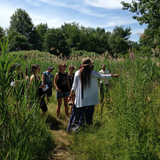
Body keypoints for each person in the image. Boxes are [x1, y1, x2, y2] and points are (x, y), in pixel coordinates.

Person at [67, 58, 119, 132]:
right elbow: (103, 76)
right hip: (90, 100)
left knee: (76, 114)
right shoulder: (92, 73)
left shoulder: (77, 73)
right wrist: (113, 75)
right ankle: (84, 128)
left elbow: (74, 86)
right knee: (87, 116)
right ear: (89, 66)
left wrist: (70, 94)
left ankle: (71, 128)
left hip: (80, 100)